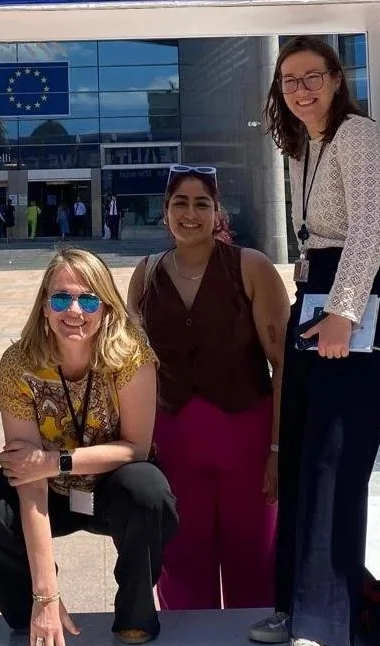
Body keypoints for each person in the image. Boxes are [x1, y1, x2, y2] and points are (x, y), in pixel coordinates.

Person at [246, 36, 380, 646]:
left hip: (359, 305)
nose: (301, 89)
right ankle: (296, 604)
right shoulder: (307, 146)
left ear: (337, 79)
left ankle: (325, 627)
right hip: (320, 299)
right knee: (302, 460)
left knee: (335, 466)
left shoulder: (359, 136)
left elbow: (371, 227)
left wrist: (343, 310)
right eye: (289, 81)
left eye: (312, 76)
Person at [0, 248, 178, 646]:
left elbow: (135, 449)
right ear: (44, 305)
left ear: (106, 305)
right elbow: (27, 477)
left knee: (148, 490)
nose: (74, 311)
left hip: (110, 485)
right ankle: (32, 614)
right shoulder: (19, 364)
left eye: (88, 300)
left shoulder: (131, 355)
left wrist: (57, 461)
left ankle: (135, 614)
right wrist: (45, 592)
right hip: (49, 492)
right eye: (61, 298)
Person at [127, 164, 290, 611]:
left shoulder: (250, 267)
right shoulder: (145, 275)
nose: (191, 213)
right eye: (180, 202)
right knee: (180, 562)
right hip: (174, 444)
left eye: (202, 203)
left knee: (254, 560)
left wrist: (279, 450)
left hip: (248, 441)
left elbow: (285, 364)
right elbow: (131, 373)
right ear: (165, 212)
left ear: (218, 213)